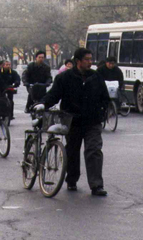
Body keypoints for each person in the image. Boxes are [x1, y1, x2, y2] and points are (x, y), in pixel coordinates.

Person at [38, 47, 110, 196]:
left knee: (94, 151)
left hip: (92, 121)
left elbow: (105, 97)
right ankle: (71, 180)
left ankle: (96, 185)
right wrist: (43, 104)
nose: (90, 62)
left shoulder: (96, 77)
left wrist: (103, 112)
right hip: (72, 121)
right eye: (87, 60)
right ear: (78, 61)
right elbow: (54, 95)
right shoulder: (64, 78)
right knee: (72, 151)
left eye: (91, 59)